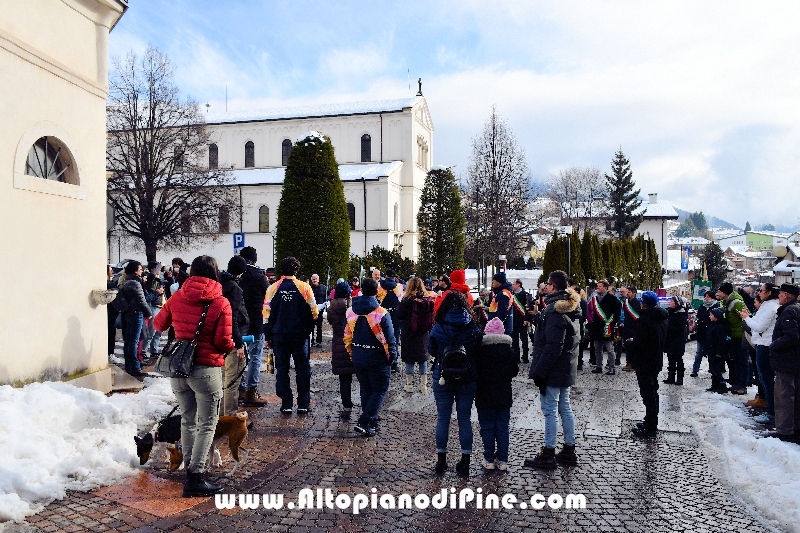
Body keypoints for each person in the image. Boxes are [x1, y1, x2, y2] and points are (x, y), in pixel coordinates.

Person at [153, 255, 234, 497]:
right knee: (207, 424)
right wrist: (230, 346)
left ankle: (190, 468)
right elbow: (222, 341)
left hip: (179, 368)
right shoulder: (220, 302)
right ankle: (195, 476)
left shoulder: (177, 295)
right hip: (206, 370)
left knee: (188, 420)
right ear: (215, 273)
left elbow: (158, 324)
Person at [524, 271, 581, 469]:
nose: (545, 287)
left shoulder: (556, 311)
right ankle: (568, 449)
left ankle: (548, 452)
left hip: (554, 368)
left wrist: (540, 371)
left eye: (547, 284)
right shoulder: (569, 308)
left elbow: (553, 345)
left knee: (550, 410)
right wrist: (537, 318)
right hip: (565, 366)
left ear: (553, 287)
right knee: (564, 407)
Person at [428, 291, 484, 476]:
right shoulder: (473, 325)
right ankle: (465, 461)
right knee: (464, 419)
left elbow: (431, 349)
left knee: (443, 418)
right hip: (467, 377)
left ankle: (441, 461)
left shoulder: (439, 325)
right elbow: (478, 350)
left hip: (442, 376)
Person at [263, 257, 318, 414]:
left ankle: (286, 403)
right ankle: (303, 403)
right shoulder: (304, 287)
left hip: (279, 334)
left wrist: (268, 335)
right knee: (302, 369)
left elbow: (266, 315)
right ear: (296, 270)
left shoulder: (272, 288)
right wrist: (308, 329)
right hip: (300, 335)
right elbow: (314, 312)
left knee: (282, 369)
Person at [344, 278, 397, 436]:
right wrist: (392, 356)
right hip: (377, 355)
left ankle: (371, 423)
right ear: (376, 292)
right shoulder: (380, 313)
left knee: (366, 389)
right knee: (380, 389)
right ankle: (365, 420)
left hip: (359, 354)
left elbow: (347, 336)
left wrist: (351, 353)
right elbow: (389, 338)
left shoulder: (351, 311)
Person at [476, 317, 519, 471]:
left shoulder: (480, 351)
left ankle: (488, 459)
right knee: (502, 427)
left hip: (484, 395)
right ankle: (502, 460)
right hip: (504, 395)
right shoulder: (510, 352)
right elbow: (514, 372)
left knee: (487, 428)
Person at [625, 291, 668, 438]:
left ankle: (650, 428)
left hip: (645, 362)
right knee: (652, 392)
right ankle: (649, 421)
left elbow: (641, 343)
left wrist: (631, 343)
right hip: (655, 360)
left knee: (648, 394)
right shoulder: (661, 317)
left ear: (644, 304)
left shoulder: (646, 320)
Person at [741, 283, 780, 423]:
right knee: (765, 380)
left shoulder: (771, 307)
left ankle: (771, 413)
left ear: (769, 293)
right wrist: (749, 317)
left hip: (765, 346)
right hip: (762, 344)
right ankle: (770, 410)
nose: (759, 293)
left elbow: (759, 326)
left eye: (762, 290)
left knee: (766, 380)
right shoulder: (767, 305)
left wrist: (746, 318)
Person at [767, 283, 800, 442]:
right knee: (795, 395)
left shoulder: (789, 311)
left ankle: (785, 431)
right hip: (794, 361)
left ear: (786, 295)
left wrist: (773, 346)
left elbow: (791, 337)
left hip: (787, 361)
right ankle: (795, 428)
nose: (778, 297)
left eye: (780, 294)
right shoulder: (796, 309)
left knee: (784, 396)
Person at [238, 246, 270, 407]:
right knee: (255, 358)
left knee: (239, 356)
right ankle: (251, 391)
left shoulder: (236, 275)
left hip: (238, 323)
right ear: (255, 259)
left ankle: (240, 388)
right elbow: (269, 296)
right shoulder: (260, 276)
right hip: (256, 322)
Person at [220, 256, 249, 416]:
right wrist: (239, 344)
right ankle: (229, 417)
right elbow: (233, 317)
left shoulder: (219, 285)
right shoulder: (234, 289)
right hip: (233, 338)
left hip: (220, 337)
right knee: (232, 379)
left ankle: (221, 415)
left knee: (224, 377)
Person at [395, 277, 434, 394]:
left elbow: (398, 315)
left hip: (409, 332)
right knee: (423, 359)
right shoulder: (426, 299)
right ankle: (423, 386)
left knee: (409, 359)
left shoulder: (406, 300)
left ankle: (409, 385)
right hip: (423, 333)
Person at [119, 261, 152, 377]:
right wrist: (149, 312)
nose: (142, 270)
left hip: (127, 313)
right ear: (135, 270)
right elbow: (142, 300)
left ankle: (129, 366)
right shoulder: (135, 283)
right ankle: (135, 367)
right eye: (140, 268)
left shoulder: (125, 281)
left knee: (128, 341)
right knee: (134, 341)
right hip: (136, 313)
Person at [328, 281, 355, 419]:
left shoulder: (331, 307)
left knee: (344, 379)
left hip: (338, 343)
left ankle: (346, 406)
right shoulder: (353, 305)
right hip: (353, 343)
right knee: (362, 377)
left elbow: (331, 321)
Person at [716, 283, 747, 394]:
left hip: (740, 336)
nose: (717, 294)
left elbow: (746, 317)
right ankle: (736, 383)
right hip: (733, 336)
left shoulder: (736, 303)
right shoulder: (726, 302)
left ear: (725, 293)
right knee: (736, 361)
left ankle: (742, 385)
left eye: (719, 291)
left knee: (742, 361)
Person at [588, 280, 621, 375]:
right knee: (597, 349)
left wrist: (611, 322)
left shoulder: (612, 299)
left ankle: (612, 367)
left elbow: (617, 313)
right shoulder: (595, 299)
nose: (597, 288)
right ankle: (599, 366)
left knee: (610, 349)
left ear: (605, 288)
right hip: (597, 327)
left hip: (607, 327)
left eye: (600, 286)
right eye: (597, 286)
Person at [377, 269, 404, 371]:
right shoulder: (399, 287)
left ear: (386, 276)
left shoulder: (380, 287)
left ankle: (384, 360)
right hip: (396, 315)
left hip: (383, 315)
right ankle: (394, 362)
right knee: (395, 339)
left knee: (383, 338)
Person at [691, 291, 719, 377]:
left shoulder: (716, 306)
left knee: (711, 353)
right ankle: (695, 370)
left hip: (711, 333)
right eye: (705, 296)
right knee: (699, 352)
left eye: (708, 296)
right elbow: (699, 316)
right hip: (701, 332)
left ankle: (712, 370)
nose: (706, 298)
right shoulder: (702, 306)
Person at [663, 296, 688, 386]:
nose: (670, 302)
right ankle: (671, 377)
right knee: (671, 358)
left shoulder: (681, 314)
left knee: (678, 358)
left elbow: (679, 327)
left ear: (676, 303)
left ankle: (680, 378)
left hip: (678, 339)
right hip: (670, 339)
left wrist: (668, 327)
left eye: (672, 301)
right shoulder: (669, 312)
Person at [704, 308, 729, 394]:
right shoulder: (713, 325)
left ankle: (722, 386)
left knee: (716, 369)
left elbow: (720, 341)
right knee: (712, 369)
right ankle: (714, 385)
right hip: (711, 351)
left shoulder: (719, 327)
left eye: (711, 315)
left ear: (716, 316)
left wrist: (719, 353)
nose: (709, 316)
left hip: (716, 352)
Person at [619, 286, 641, 372]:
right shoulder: (626, 302)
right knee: (627, 346)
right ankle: (628, 363)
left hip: (634, 328)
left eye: (629, 292)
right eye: (627, 292)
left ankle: (633, 363)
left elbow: (637, 317)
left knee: (633, 347)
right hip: (627, 327)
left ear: (634, 293)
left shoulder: (637, 303)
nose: (627, 294)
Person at [511, 279, 530, 364]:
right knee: (515, 341)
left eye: (514, 284)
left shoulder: (525, 295)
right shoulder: (512, 294)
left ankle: (525, 357)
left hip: (522, 321)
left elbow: (527, 309)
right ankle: (516, 357)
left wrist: (526, 319)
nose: (512, 285)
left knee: (524, 340)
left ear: (518, 285)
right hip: (514, 321)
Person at [309, 274, 328, 346]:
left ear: (318, 279)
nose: (315, 280)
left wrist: (325, 304)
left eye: (316, 279)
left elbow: (326, 297)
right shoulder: (309, 288)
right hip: (312, 311)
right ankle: (312, 340)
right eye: (313, 279)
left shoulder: (323, 288)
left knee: (319, 326)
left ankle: (319, 341)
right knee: (311, 326)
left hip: (320, 310)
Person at [107, 265, 119, 358]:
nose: (112, 272)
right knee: (111, 332)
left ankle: (110, 353)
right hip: (111, 311)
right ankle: (110, 354)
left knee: (111, 332)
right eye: (110, 270)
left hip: (111, 311)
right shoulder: (109, 284)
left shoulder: (110, 282)